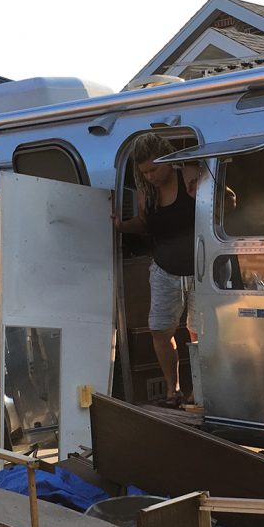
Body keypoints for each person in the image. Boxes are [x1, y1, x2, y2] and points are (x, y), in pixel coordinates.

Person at [114, 134, 199, 405]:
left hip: (199, 269)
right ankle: (173, 391)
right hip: (164, 269)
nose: (150, 176)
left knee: (199, 333)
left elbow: (226, 202)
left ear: (168, 160)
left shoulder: (190, 175)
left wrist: (209, 191)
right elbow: (144, 224)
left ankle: (201, 391)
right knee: (160, 331)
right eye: (145, 172)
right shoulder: (146, 192)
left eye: (154, 169)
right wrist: (121, 226)